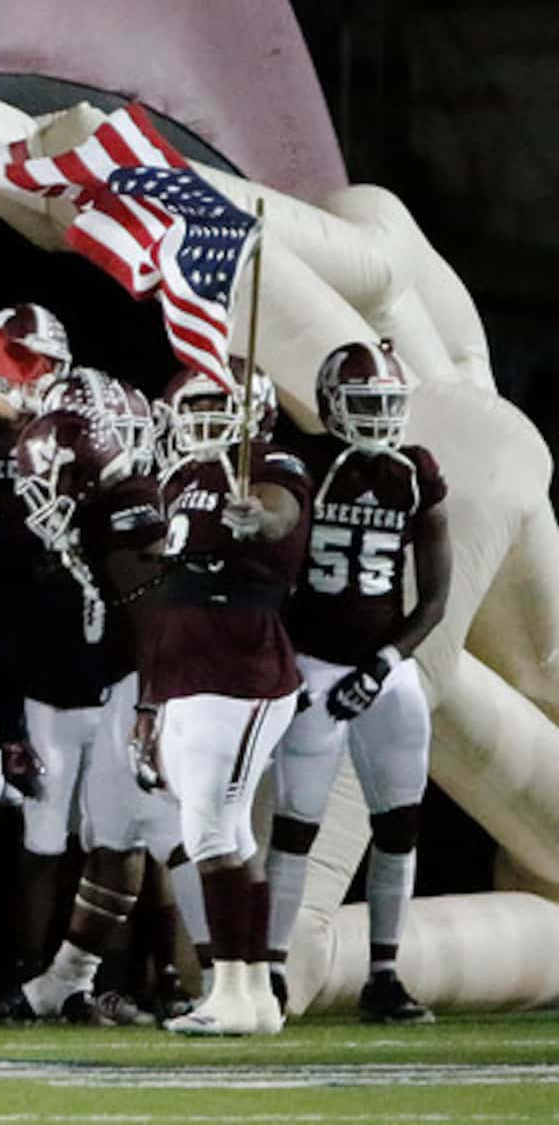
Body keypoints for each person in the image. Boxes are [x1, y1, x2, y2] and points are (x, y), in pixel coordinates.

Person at [269, 340, 451, 1023]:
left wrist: (379, 666)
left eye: (386, 405)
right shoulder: (305, 464)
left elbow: (432, 599)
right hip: (312, 660)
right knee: (296, 826)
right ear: (328, 406)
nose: (377, 418)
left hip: (383, 664)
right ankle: (273, 971)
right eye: (363, 404)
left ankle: (383, 972)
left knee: (399, 823)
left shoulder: (413, 472)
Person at [140, 364, 311, 1037]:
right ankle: (249, 996)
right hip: (187, 670)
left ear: (254, 412)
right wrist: (148, 701)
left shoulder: (267, 464)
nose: (206, 419)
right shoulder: (180, 479)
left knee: (209, 831)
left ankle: (232, 992)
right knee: (226, 831)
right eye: (197, 405)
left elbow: (279, 512)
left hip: (240, 669)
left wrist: (256, 517)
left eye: (220, 405)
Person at [0, 408, 180, 1022]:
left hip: (170, 687)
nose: (42, 502)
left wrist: (151, 708)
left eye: (54, 483)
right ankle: (66, 979)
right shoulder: (100, 517)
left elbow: (160, 623)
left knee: (185, 839)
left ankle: (230, 978)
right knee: (113, 834)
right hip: (121, 690)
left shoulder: (133, 509)